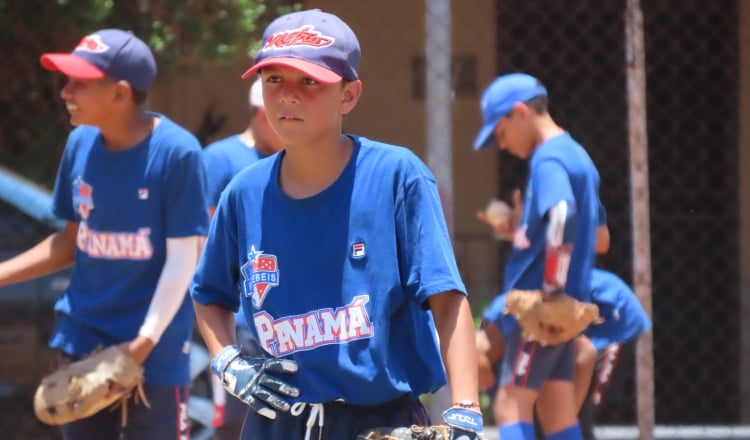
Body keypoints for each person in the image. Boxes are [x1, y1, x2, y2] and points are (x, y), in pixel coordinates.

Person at [190, 8, 482, 440]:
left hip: (380, 421)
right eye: (274, 79)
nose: (288, 95)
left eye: (309, 81)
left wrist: (466, 408)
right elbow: (208, 294)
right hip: (277, 422)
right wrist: (227, 359)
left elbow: (446, 297)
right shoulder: (243, 193)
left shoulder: (395, 176)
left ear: (348, 94)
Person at [0, 29, 209, 439]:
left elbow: (184, 259)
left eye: (80, 82)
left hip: (153, 356)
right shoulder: (80, 144)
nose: (65, 92)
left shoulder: (176, 153)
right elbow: (70, 241)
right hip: (83, 341)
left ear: (120, 93)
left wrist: (141, 346)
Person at [472, 72, 601, 440]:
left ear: (519, 113)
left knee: (510, 402)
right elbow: (588, 226)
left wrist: (552, 291)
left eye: (500, 132)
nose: (503, 144)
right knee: (555, 407)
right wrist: (521, 231)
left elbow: (563, 213)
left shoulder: (548, 159)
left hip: (540, 309)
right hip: (564, 305)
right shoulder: (576, 154)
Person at [477, 268, 652, 440]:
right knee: (540, 413)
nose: (483, 390)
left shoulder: (524, 320)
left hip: (614, 317)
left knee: (572, 417)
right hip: (570, 312)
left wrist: (564, 418)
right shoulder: (500, 340)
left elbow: (585, 353)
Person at [202, 77, 284, 440]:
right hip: (239, 307)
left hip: (283, 307)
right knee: (236, 416)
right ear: (263, 114)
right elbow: (206, 239)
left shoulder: (292, 160)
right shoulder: (220, 158)